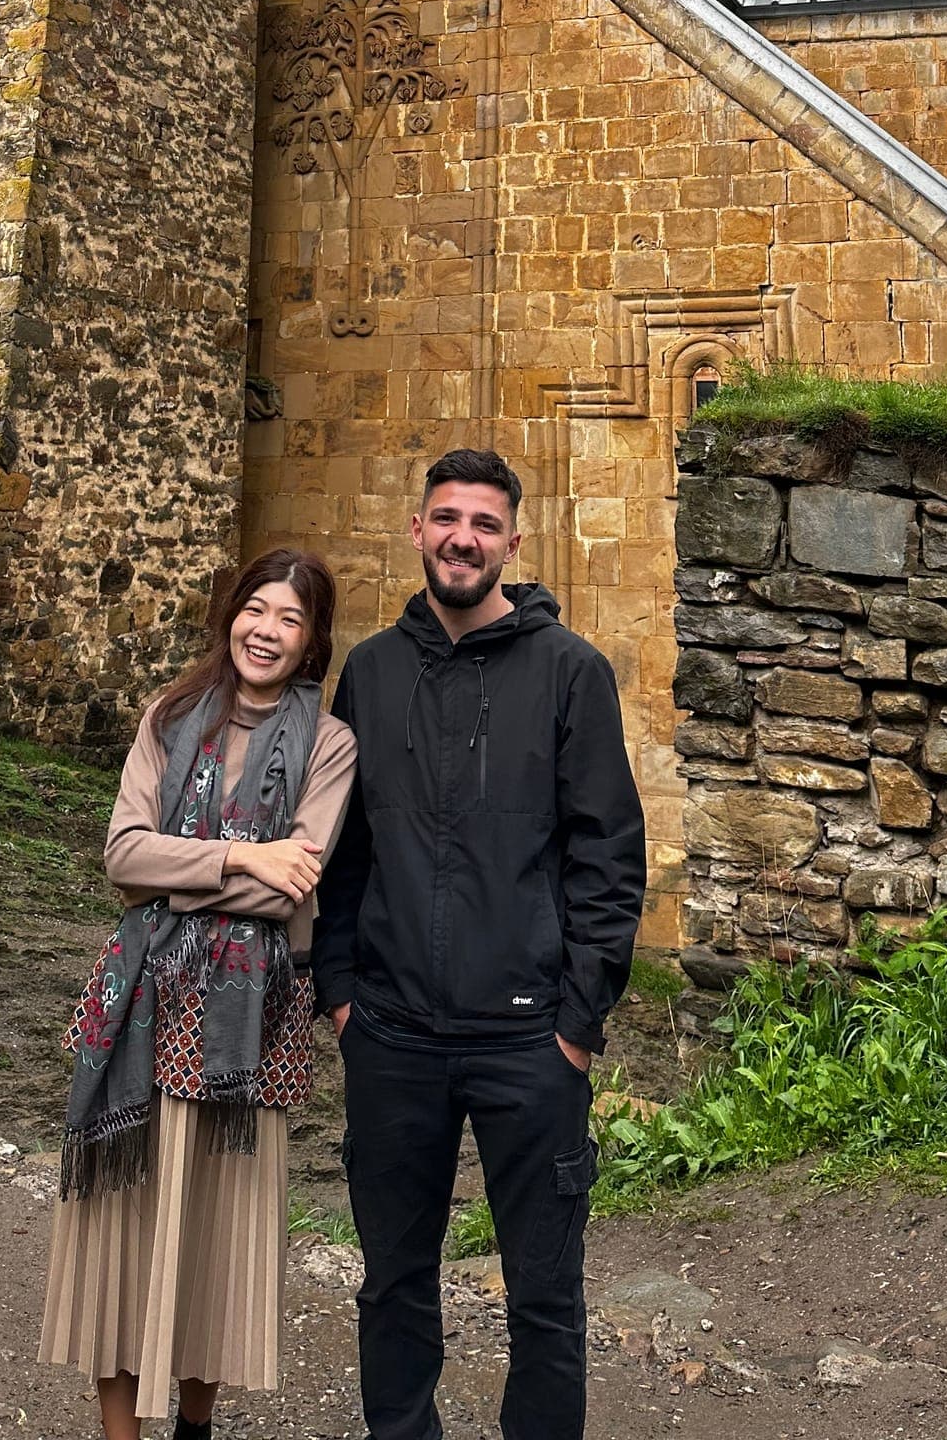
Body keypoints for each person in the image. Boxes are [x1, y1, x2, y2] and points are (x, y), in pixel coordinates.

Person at [314, 447, 646, 1440]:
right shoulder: (369, 674)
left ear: (512, 539)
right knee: (394, 1284)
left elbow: (608, 853)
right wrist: (341, 991)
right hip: (394, 1036)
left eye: (484, 523)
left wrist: (577, 1022)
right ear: (417, 528)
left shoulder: (570, 672)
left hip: (527, 1043)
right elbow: (341, 848)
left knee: (545, 1297)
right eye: (446, 518)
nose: (463, 537)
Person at [39, 548, 357, 1440]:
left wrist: (196, 869)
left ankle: (194, 1429)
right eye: (257, 609)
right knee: (122, 1231)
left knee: (213, 1234)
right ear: (232, 617)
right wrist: (243, 856)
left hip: (250, 1024)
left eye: (290, 619)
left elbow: (293, 886)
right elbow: (120, 857)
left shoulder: (330, 746)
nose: (267, 630)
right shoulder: (169, 717)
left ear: (311, 642)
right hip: (143, 1004)